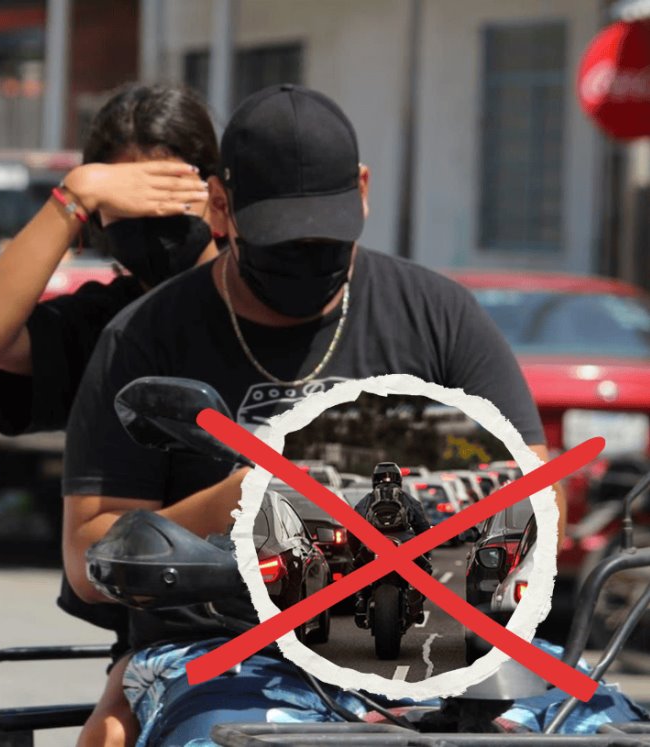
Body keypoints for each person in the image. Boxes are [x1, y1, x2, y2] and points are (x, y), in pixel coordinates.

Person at [59, 83, 564, 746]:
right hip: (228, 646)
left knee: (596, 722)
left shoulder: (440, 317)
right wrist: (240, 501)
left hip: (436, 647)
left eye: (325, 239)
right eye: (281, 242)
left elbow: (539, 490)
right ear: (221, 208)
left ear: (362, 189)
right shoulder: (147, 336)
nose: (306, 259)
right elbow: (87, 555)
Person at [0, 83, 227, 747]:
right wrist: (71, 199)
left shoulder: (260, 303)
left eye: (169, 190)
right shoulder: (106, 325)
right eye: (127, 201)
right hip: (155, 639)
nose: (152, 216)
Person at [349, 462, 432, 625]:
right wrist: (425, 552)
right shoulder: (408, 498)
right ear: (399, 479)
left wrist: (356, 553)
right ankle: (417, 606)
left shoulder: (366, 500)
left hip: (372, 545)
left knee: (356, 571)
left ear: (374, 480)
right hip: (405, 543)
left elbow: (352, 529)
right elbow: (422, 527)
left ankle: (360, 602)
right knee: (426, 568)